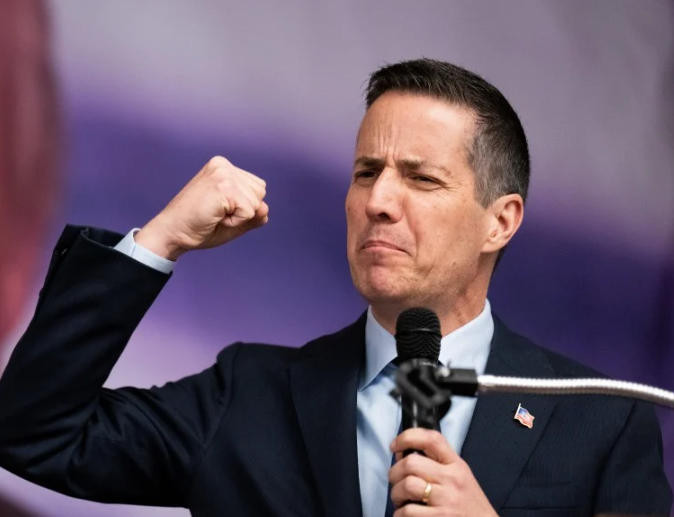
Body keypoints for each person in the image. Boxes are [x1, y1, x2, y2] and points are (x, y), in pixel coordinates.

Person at [0, 59, 671, 517]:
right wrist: (160, 239)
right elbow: (33, 432)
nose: (378, 201)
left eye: (421, 178)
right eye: (366, 172)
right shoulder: (245, 394)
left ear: (501, 221)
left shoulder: (600, 421)